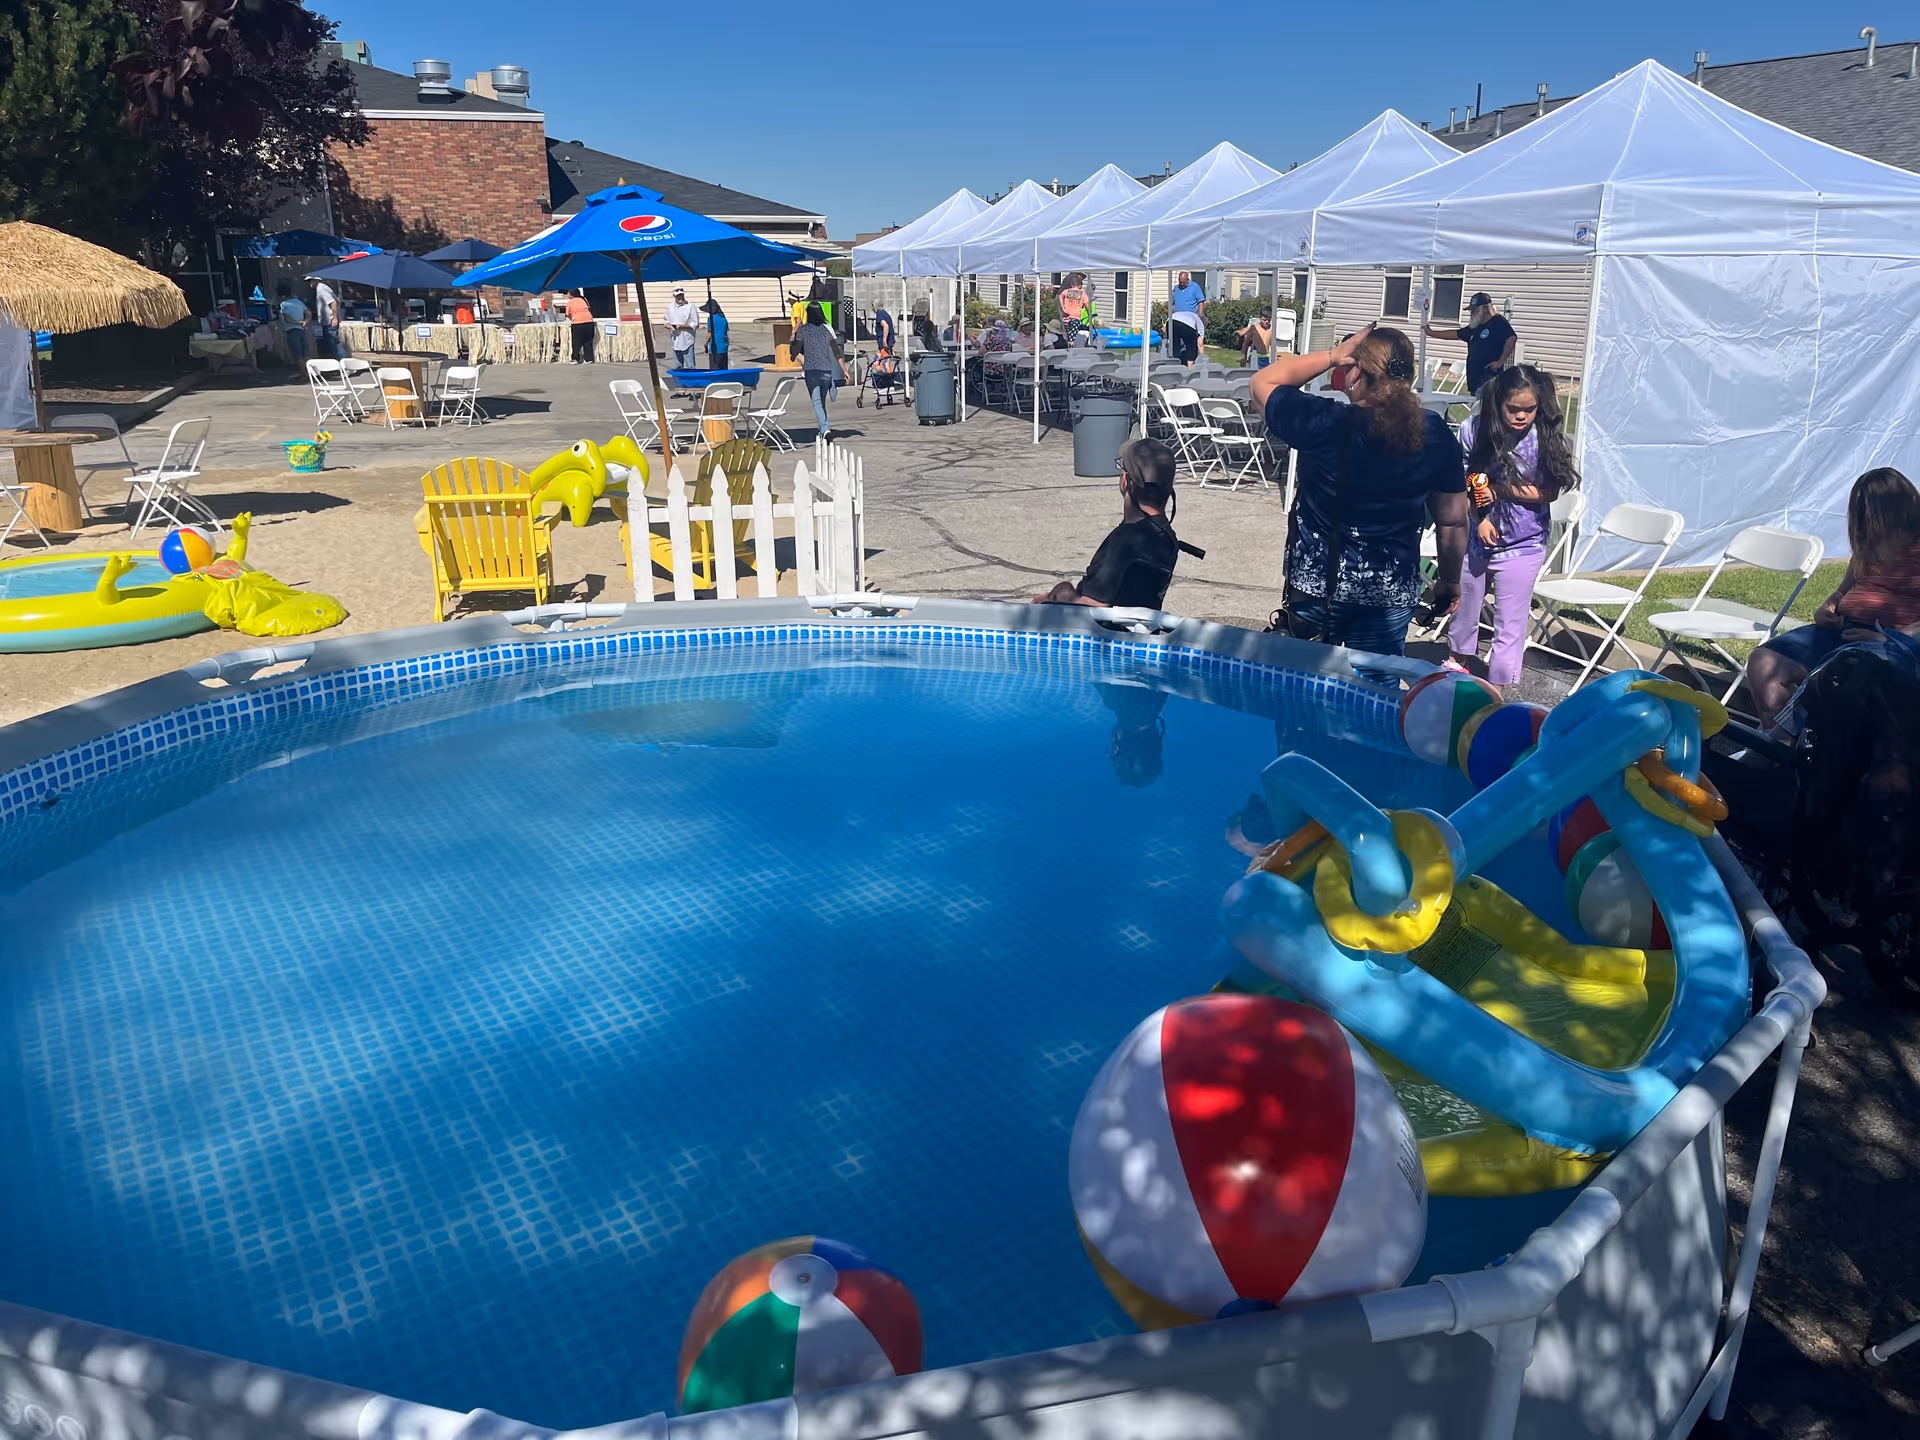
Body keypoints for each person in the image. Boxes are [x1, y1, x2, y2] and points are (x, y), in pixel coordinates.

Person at [1250, 322, 1469, 654]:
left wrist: (1333, 355)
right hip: (1388, 591)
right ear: (1408, 376)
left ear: (1355, 372)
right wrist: (1450, 579)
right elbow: (1452, 519)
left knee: (1302, 691)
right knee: (1373, 697)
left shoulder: (1322, 419)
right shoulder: (1433, 433)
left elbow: (1262, 381)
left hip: (1317, 586)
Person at [1748, 467, 1920, 727]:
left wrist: (1890, 642)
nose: (1864, 524)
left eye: (1870, 516)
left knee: (1842, 683)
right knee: (1764, 663)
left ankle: (1821, 752)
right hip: (1845, 631)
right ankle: (1793, 745)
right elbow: (1843, 590)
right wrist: (1828, 606)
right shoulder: (1870, 544)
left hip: (1894, 643)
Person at [1445, 365, 1578, 686]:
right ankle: (1455, 662)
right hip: (1478, 541)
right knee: (1466, 607)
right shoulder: (1473, 431)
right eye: (1513, 409)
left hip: (1523, 545)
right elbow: (1463, 481)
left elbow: (1547, 492)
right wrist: (1481, 518)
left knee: (1510, 622)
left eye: (1529, 409)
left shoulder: (1541, 440)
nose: (1521, 416)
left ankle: (1497, 688)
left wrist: (1501, 489)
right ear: (1497, 402)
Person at [1034, 439, 1202, 608]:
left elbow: (1092, 608)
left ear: (1124, 481)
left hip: (1103, 631)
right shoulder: (1167, 537)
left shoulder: (1126, 540)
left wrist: (1060, 593)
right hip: (1136, 628)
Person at [1429, 292, 1516, 395]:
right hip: (1475, 380)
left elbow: (1511, 338)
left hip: (1489, 378)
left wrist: (1500, 362)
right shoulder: (1475, 327)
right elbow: (1456, 334)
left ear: (1485, 309)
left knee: (1486, 408)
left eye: (1475, 310)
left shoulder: (1497, 322)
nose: (1472, 313)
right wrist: (1431, 333)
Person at [794, 301, 849, 438]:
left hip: (811, 371)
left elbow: (796, 348)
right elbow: (837, 352)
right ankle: (822, 430)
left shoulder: (804, 330)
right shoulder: (828, 329)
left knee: (816, 402)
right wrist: (844, 370)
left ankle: (825, 429)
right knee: (821, 401)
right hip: (826, 371)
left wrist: (794, 352)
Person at [1170, 270, 1206, 365]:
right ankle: (1178, 361)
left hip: (1190, 322)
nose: (1182, 284)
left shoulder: (1195, 287)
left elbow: (1201, 301)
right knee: (1177, 344)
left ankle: (1190, 362)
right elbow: (1172, 304)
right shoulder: (1176, 289)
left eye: (1184, 282)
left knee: (1189, 343)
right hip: (1177, 320)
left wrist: (1200, 315)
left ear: (1188, 280)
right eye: (1180, 282)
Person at [666, 286, 699, 371]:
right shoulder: (670, 307)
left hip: (687, 339)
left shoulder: (690, 306)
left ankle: (692, 382)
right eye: (678, 296)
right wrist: (669, 326)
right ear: (674, 296)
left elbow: (695, 323)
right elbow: (666, 321)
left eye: (681, 295)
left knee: (690, 365)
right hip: (675, 340)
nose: (680, 297)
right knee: (678, 366)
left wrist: (681, 326)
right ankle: (680, 382)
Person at [275, 282, 309, 363]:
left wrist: (298, 322)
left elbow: (288, 319)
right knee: (305, 354)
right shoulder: (298, 302)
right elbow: (308, 312)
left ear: (282, 296)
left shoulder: (284, 304)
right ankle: (309, 372)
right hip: (302, 330)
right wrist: (306, 321)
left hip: (292, 330)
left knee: (297, 355)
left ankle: (305, 374)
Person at [1058, 272, 1091, 344]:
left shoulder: (1067, 291)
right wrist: (1090, 315)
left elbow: (1060, 296)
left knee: (1066, 336)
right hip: (1075, 318)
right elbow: (1087, 304)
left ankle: (1066, 349)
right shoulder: (1082, 294)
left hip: (1066, 317)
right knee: (1072, 337)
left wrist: (1063, 308)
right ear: (1080, 285)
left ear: (1072, 284)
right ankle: (1071, 351)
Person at [565, 290, 596, 363]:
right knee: (588, 341)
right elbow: (589, 309)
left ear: (572, 295)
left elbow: (567, 314)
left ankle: (575, 358)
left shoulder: (570, 302)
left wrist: (573, 318)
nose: (567, 295)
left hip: (577, 323)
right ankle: (589, 359)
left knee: (576, 342)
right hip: (589, 322)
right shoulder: (584, 300)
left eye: (568, 293)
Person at [312, 276, 339, 358]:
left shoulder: (321, 288)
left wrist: (335, 318)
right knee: (329, 344)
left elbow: (333, 302)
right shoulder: (322, 287)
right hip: (326, 321)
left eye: (310, 280)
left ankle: (344, 364)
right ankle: (332, 365)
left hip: (329, 320)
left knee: (334, 344)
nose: (309, 283)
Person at [703, 298, 730, 370]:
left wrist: (706, 345)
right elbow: (727, 334)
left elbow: (709, 334)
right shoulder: (724, 318)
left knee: (714, 369)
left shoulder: (711, 318)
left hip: (715, 348)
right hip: (724, 347)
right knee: (723, 369)